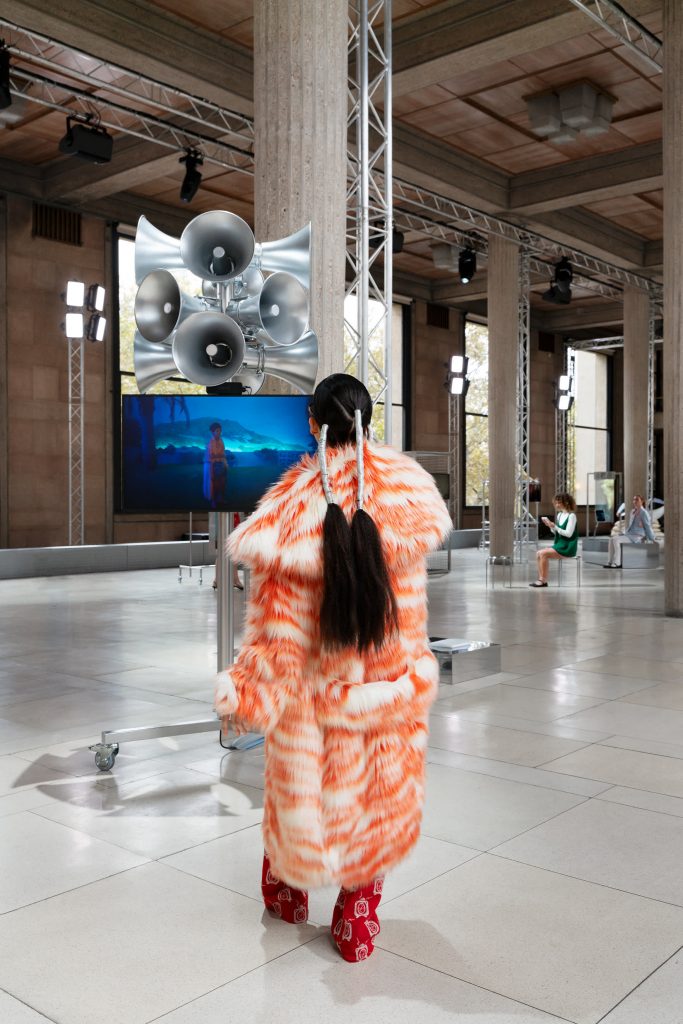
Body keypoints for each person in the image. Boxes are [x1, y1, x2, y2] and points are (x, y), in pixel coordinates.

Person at [214, 373, 451, 962]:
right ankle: (357, 921)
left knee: (299, 796)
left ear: (312, 426)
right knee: (371, 804)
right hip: (386, 691)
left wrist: (243, 695)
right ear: (370, 424)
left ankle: (287, 896)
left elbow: (278, 641)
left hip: (313, 702)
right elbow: (409, 617)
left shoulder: (286, 513)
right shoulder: (407, 498)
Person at [530, 492, 578, 588]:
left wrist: (555, 527)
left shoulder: (571, 516)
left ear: (566, 502)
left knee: (543, 554)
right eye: (556, 502)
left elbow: (568, 534)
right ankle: (541, 579)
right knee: (538, 553)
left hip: (568, 546)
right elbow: (557, 533)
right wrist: (550, 527)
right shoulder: (560, 515)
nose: (557, 505)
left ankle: (543, 580)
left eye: (559, 502)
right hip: (559, 544)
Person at [604, 494, 655, 568]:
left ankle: (617, 563)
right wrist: (624, 532)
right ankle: (610, 561)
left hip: (637, 536)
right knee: (611, 539)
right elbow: (631, 525)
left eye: (637, 500)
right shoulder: (632, 511)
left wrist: (652, 538)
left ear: (642, 501)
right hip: (629, 534)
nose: (634, 501)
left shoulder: (644, 513)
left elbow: (647, 526)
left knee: (616, 540)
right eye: (634, 500)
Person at [205, 422, 228, 509]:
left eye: (220, 431)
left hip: (221, 463)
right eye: (217, 431)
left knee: (223, 483)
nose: (219, 432)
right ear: (213, 432)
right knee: (214, 484)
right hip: (214, 465)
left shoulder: (221, 441)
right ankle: (213, 501)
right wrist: (221, 456)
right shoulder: (211, 442)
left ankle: (221, 499)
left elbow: (223, 453)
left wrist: (224, 462)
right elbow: (212, 455)